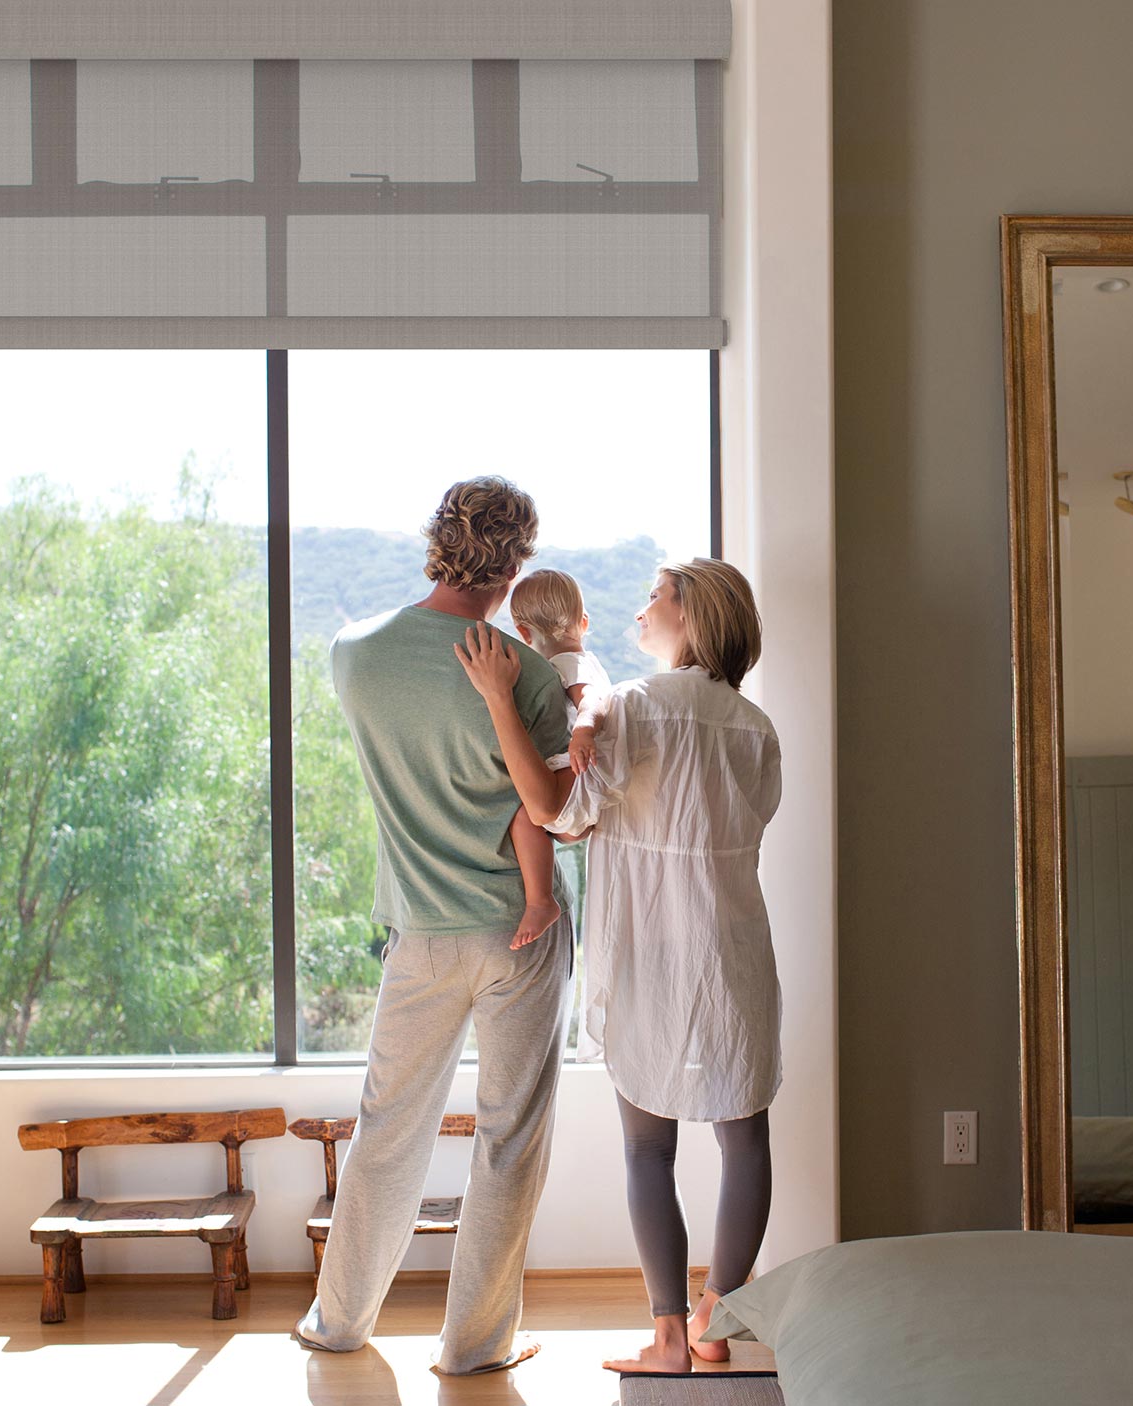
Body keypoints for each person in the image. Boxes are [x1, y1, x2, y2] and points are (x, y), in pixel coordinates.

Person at [454, 558, 782, 1375]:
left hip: (648, 953)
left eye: (656, 596)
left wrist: (498, 699)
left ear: (692, 615)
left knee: (648, 1151)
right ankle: (715, 1322)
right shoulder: (756, 729)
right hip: (735, 951)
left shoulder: (633, 707)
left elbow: (555, 813)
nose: (641, 609)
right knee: (746, 1141)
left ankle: (669, 1340)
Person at [294, 477, 575, 1377]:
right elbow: (549, 810)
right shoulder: (528, 676)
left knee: (387, 1129)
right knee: (509, 1137)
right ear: (516, 563)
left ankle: (338, 1323)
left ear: (436, 544)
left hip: (419, 932)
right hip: (518, 932)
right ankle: (475, 1347)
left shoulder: (353, 654)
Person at [494, 568, 614, 952]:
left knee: (522, 815)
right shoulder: (585, 660)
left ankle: (540, 900)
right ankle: (542, 897)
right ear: (584, 622)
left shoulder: (567, 665)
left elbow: (591, 700)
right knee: (533, 818)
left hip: (576, 774)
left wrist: (584, 732)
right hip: (584, 782)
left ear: (523, 633)